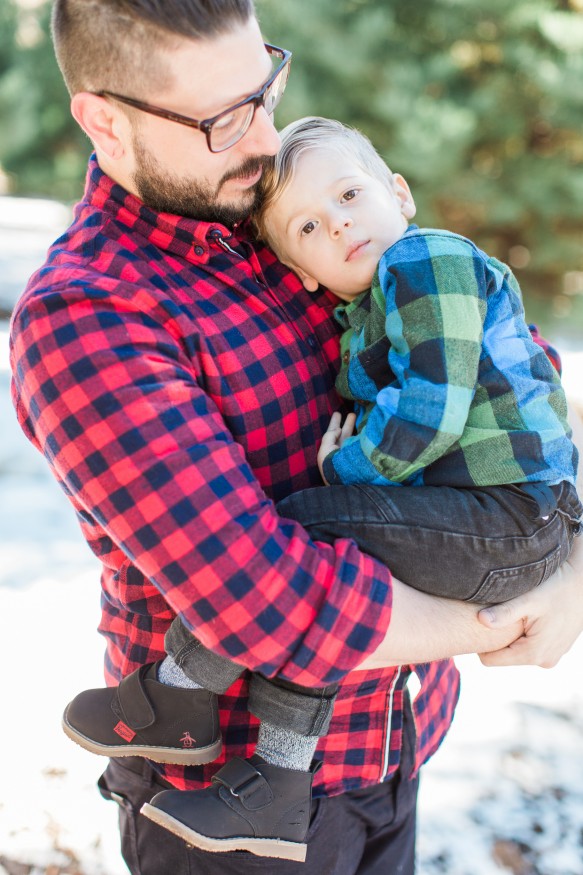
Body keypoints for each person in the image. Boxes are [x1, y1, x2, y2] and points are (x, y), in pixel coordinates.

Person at [8, 2, 583, 873]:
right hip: (231, 817)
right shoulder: (92, 315)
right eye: (220, 120)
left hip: (397, 743)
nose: (262, 141)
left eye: (264, 94)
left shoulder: (286, 206)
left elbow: (513, 374)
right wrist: (507, 615)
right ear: (105, 122)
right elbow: (258, 594)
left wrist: (569, 557)